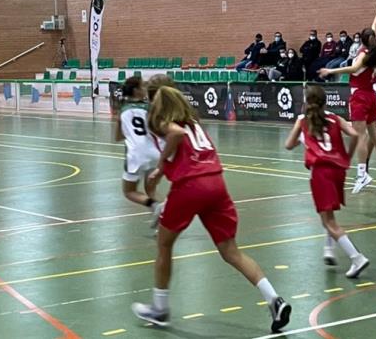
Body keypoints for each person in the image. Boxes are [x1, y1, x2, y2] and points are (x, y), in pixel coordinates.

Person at [132, 86, 291, 332]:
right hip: (216, 183)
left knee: (164, 244)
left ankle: (160, 309)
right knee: (231, 251)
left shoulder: (167, 123)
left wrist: (160, 167)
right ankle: (274, 299)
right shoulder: (195, 123)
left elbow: (174, 134)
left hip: (190, 185)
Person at [285, 86, 370, 278]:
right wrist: (348, 155)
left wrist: (302, 137)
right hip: (339, 170)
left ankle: (356, 258)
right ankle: (329, 249)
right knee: (328, 215)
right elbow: (355, 134)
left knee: (329, 221)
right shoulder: (334, 118)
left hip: (321, 172)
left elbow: (288, 145)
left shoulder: (302, 120)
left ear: (307, 101)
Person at [318, 0, 376, 194]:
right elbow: (373, 25)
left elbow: (352, 70)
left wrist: (331, 71)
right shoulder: (374, 49)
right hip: (371, 95)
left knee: (360, 136)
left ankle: (362, 175)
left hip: (360, 95)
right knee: (375, 136)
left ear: (361, 40)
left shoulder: (362, 55)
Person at [115, 76, 162, 227]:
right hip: (155, 153)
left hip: (136, 155)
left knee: (129, 192)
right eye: (143, 87)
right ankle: (162, 222)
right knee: (151, 188)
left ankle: (155, 206)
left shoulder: (122, 111)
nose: (145, 90)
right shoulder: (150, 108)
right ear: (136, 90)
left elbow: (118, 137)